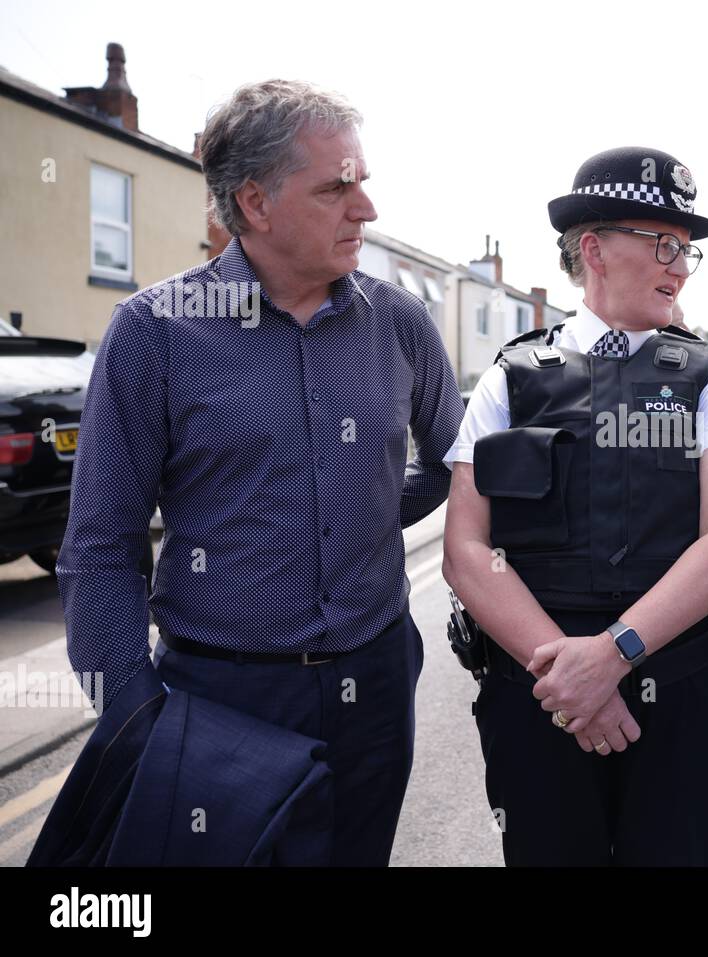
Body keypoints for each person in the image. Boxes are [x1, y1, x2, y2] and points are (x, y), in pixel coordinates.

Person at [57, 79, 463, 866]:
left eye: (363, 182)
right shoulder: (153, 333)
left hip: (374, 685)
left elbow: (451, 464)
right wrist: (134, 716)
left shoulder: (402, 323)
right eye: (336, 187)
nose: (366, 209)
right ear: (255, 202)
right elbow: (101, 546)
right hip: (220, 702)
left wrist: (361, 518)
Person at [441, 146, 708, 866]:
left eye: (687, 251)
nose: (680, 265)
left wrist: (615, 653)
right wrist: (569, 677)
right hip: (539, 693)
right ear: (593, 248)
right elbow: (467, 548)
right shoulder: (511, 379)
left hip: (681, 690)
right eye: (663, 244)